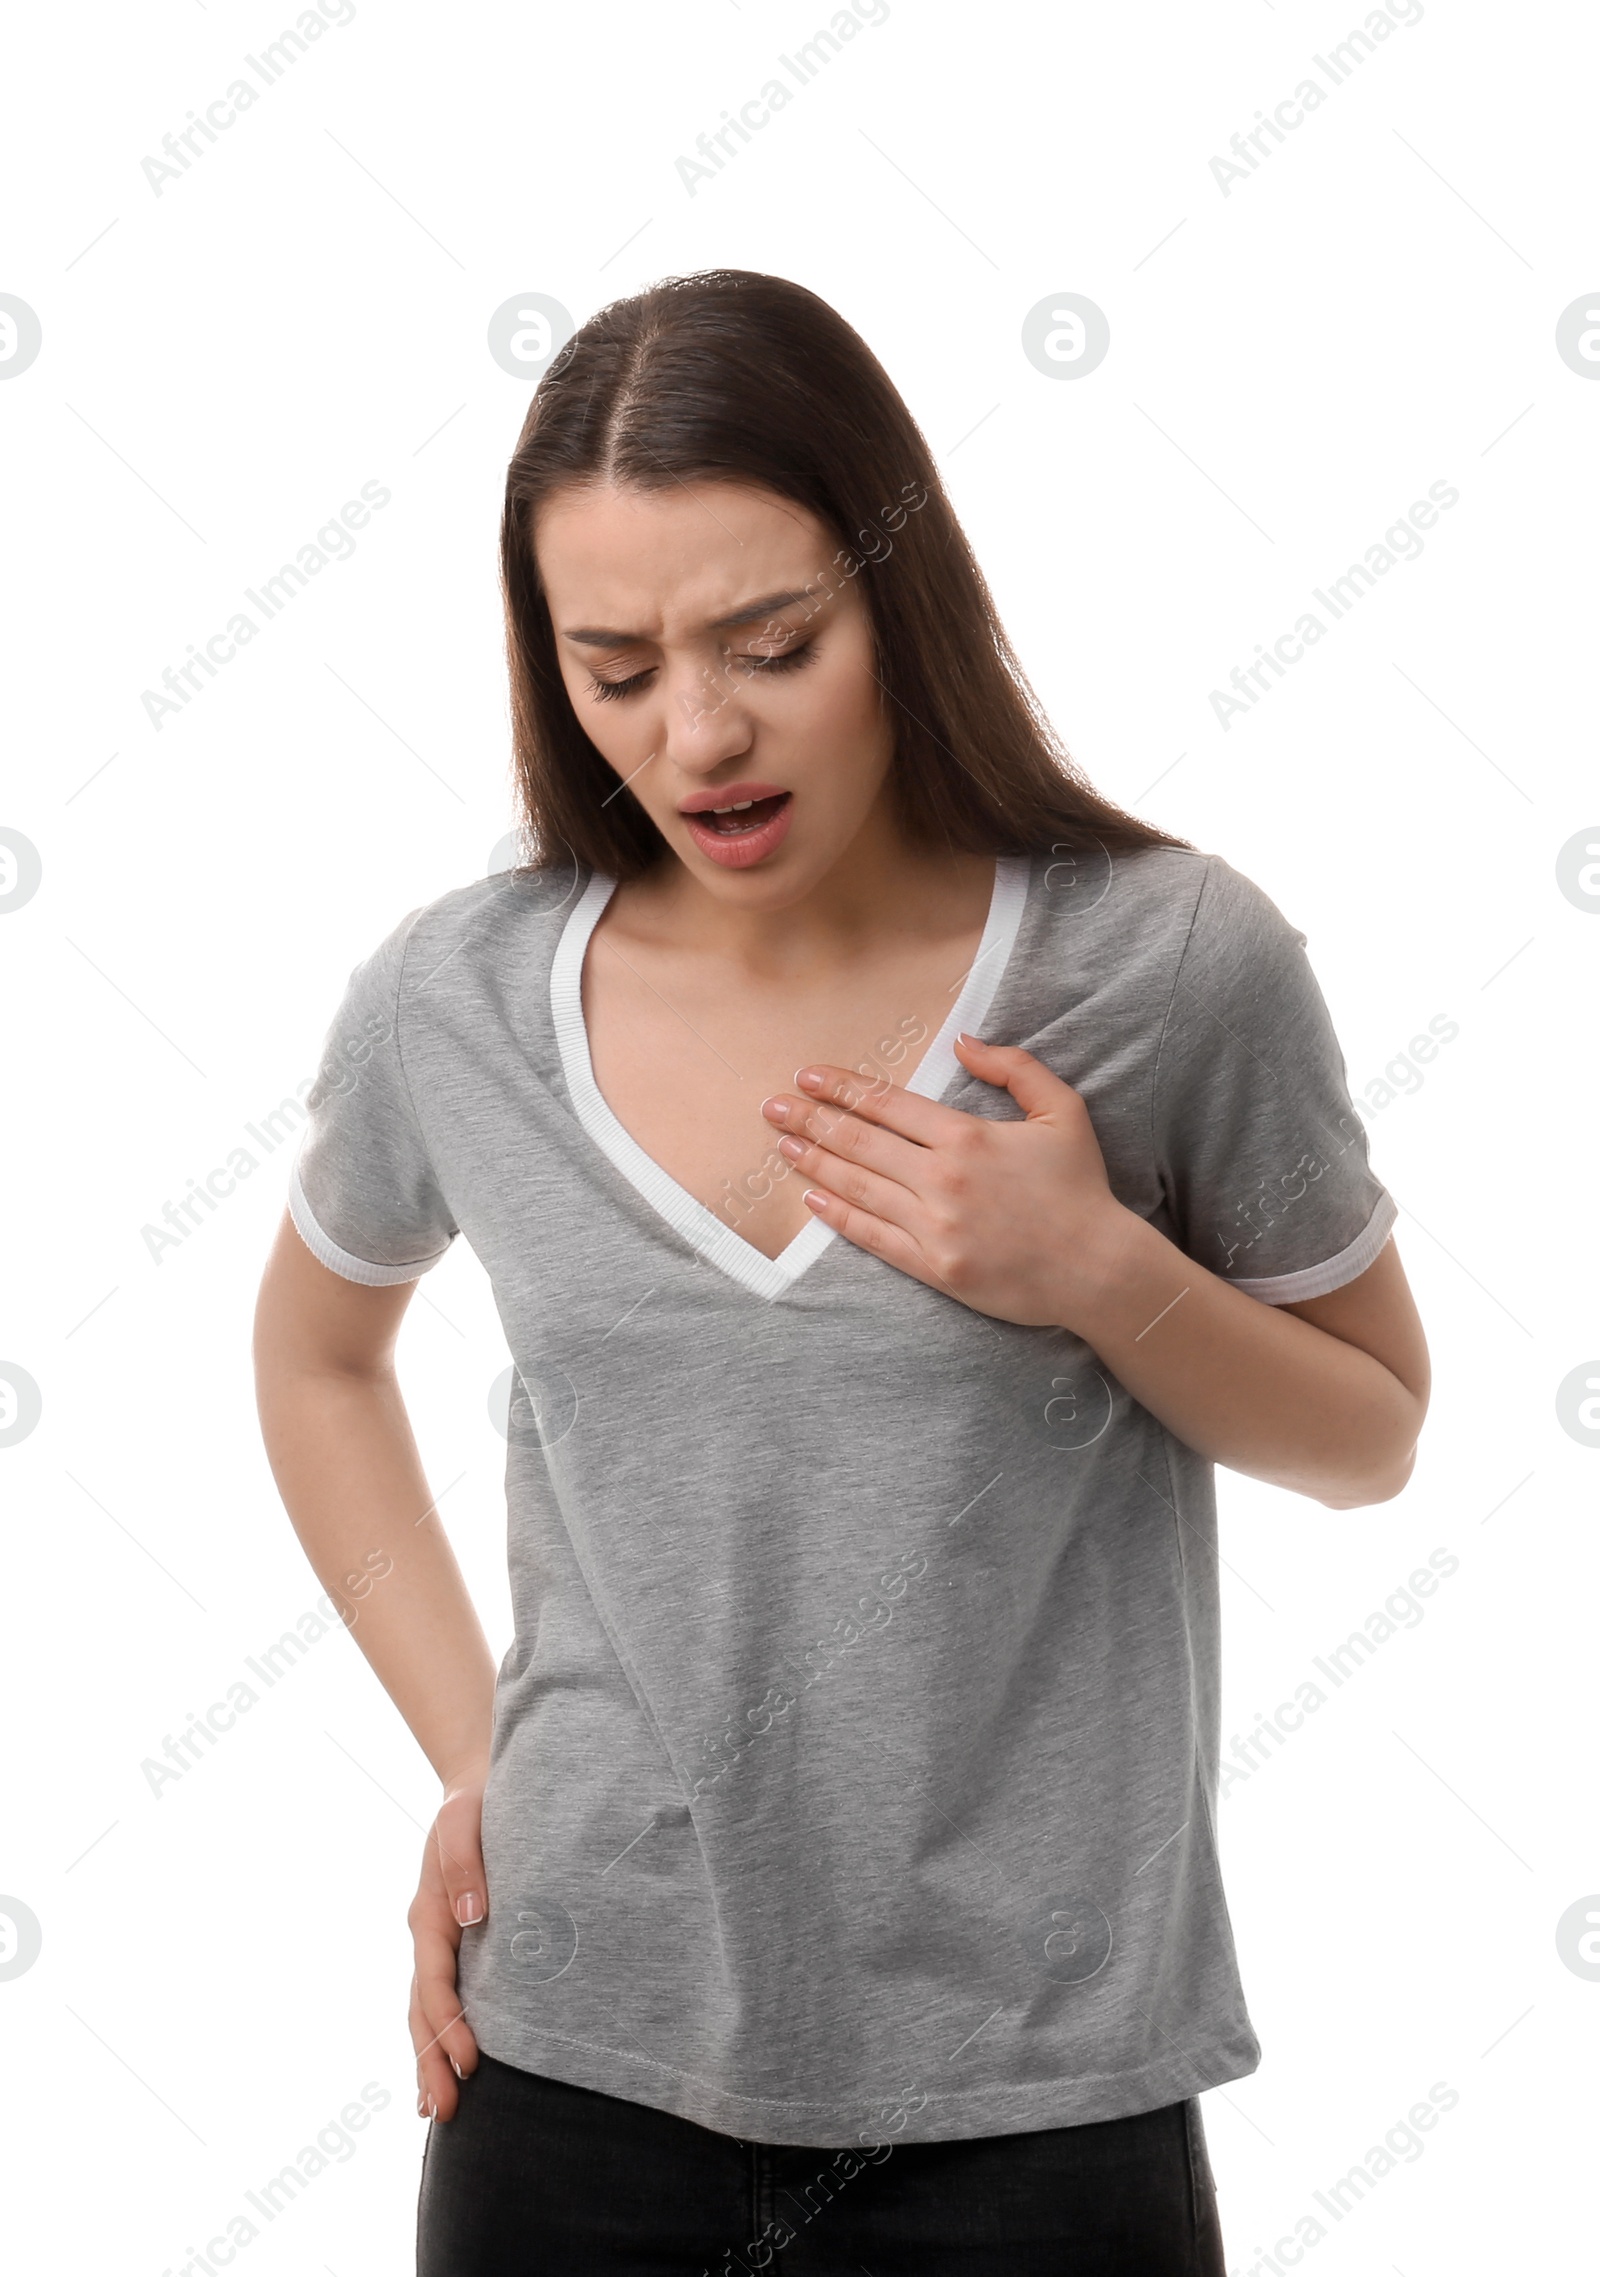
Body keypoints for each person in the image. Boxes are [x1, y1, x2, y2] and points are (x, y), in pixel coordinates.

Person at [252, 269, 1430, 2274]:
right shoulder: (451, 1000)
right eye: (612, 664)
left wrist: (1092, 1267)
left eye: (768, 642)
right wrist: (482, 1758)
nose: (695, 731)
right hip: (565, 2078)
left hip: (1033, 2106)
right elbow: (315, 1359)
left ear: (899, 598)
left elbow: (1370, 1434)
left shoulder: (1163, 961)